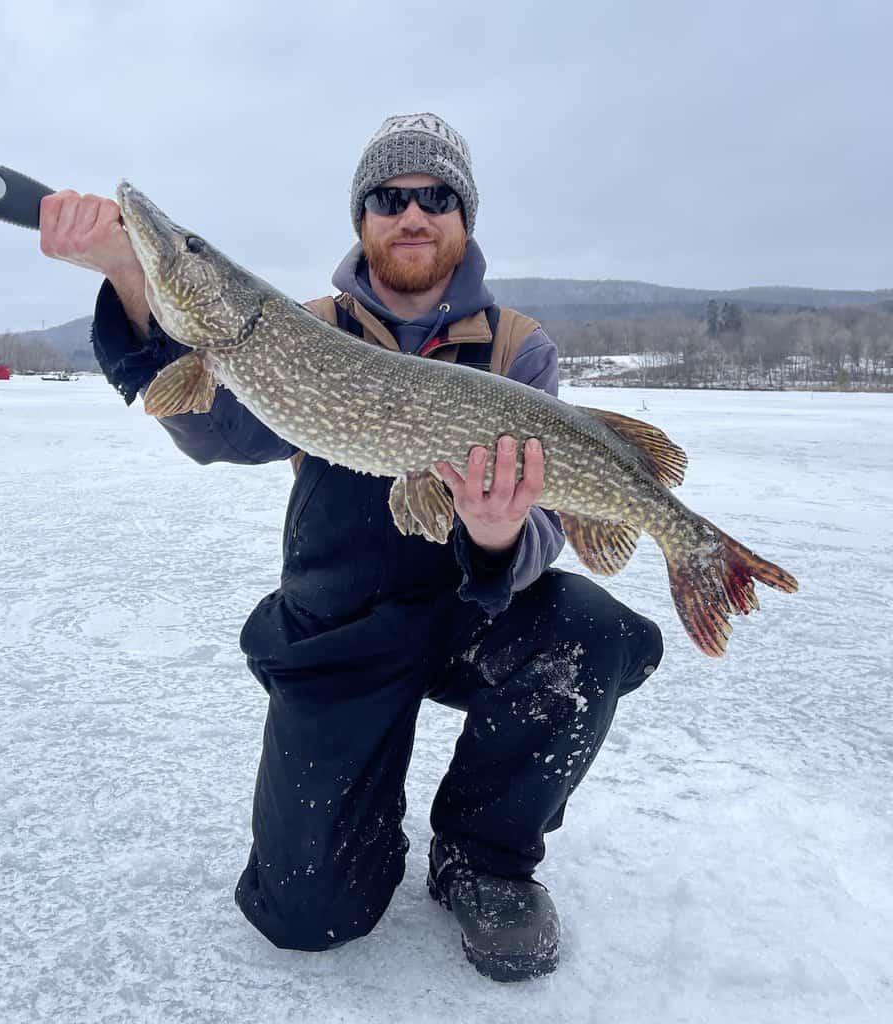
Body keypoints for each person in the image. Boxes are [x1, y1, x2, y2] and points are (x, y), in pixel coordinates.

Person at [39, 112, 663, 982]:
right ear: (362, 218)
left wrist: (496, 539)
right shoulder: (300, 329)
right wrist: (130, 274)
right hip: (342, 631)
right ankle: (353, 833)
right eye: (389, 196)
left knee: (592, 632)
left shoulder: (521, 348)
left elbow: (557, 520)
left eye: (435, 197)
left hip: (471, 615)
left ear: (463, 217)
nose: (412, 213)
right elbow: (216, 432)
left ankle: (483, 856)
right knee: (306, 912)